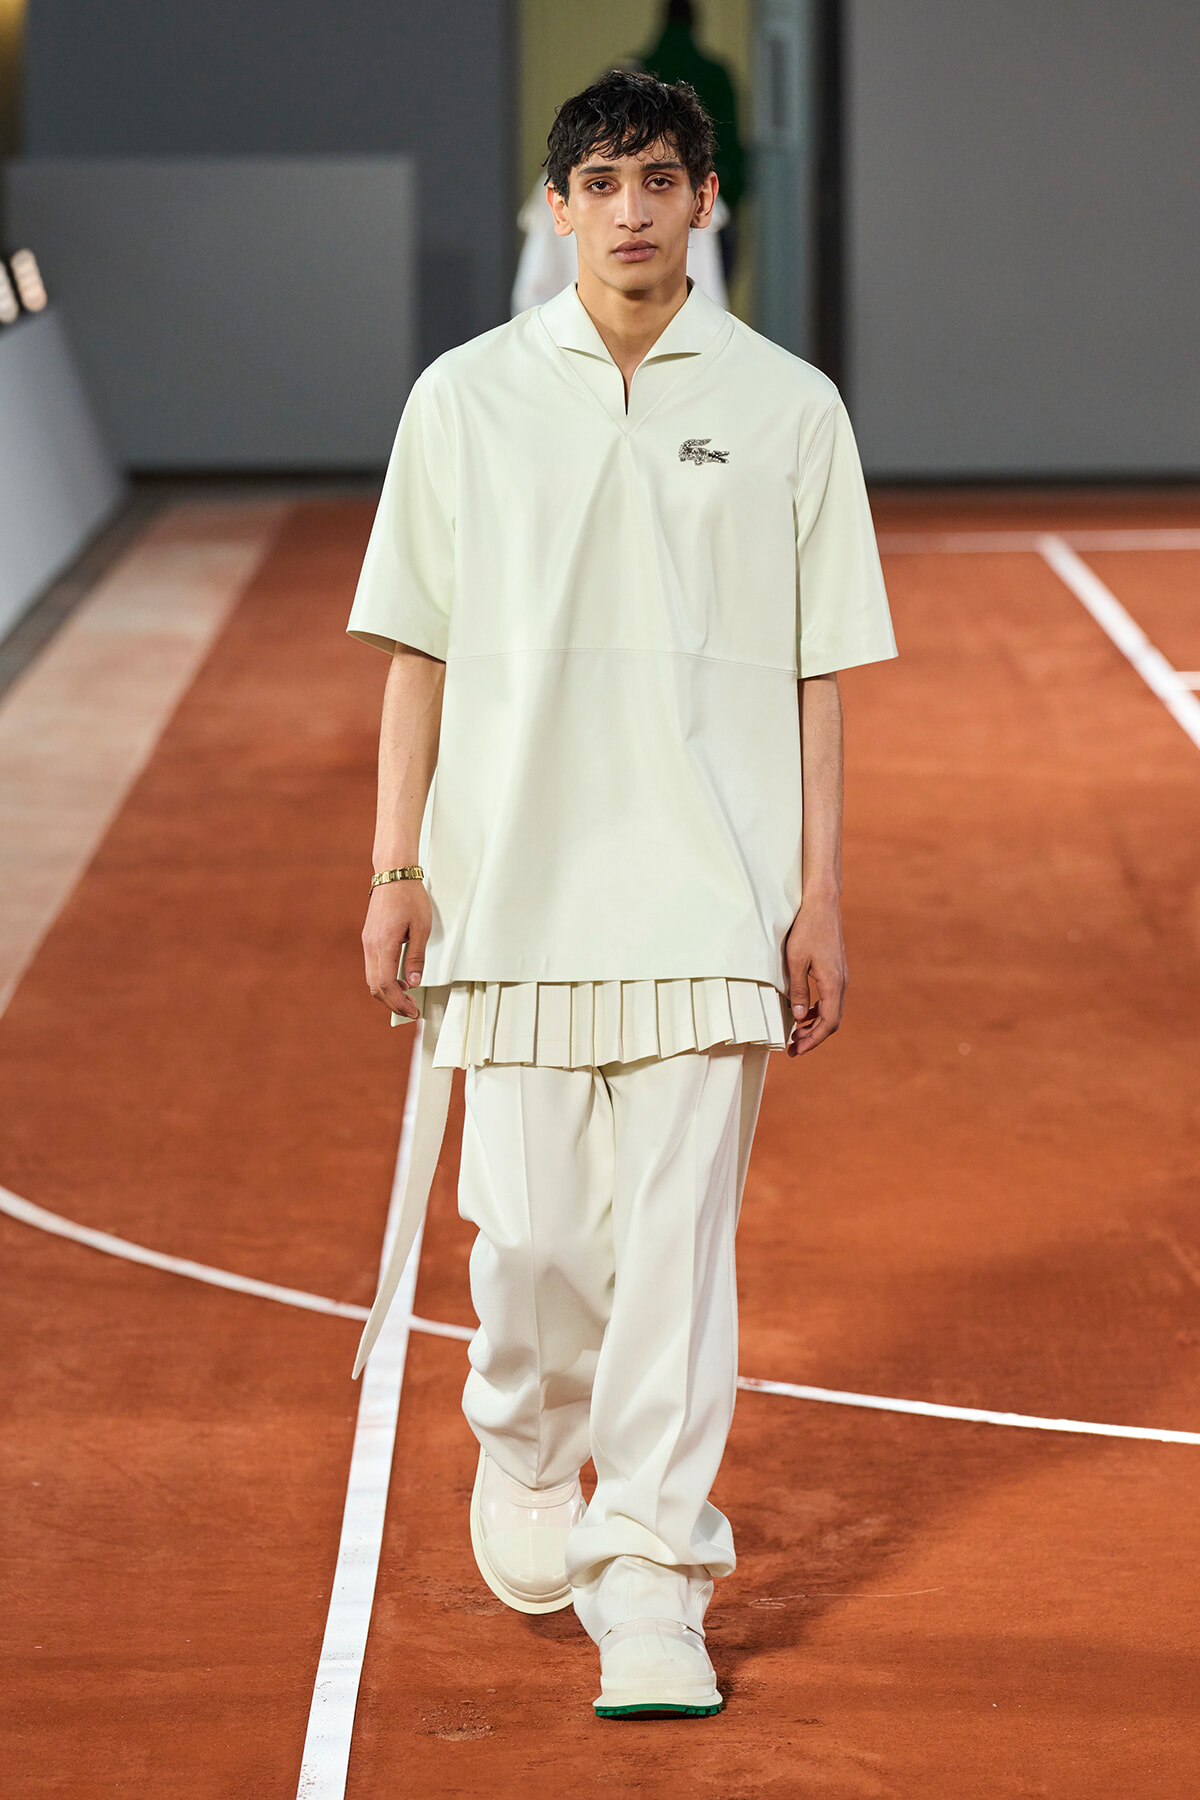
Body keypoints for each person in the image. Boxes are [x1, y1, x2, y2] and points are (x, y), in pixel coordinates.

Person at [347, 70, 895, 1721]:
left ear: (706, 201)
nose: (634, 207)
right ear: (559, 206)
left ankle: (653, 1574)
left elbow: (817, 671)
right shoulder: (465, 399)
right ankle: (526, 1438)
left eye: (662, 178)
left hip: (711, 891)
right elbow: (416, 650)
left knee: (674, 1253)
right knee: (530, 1242)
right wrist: (396, 866)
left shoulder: (791, 406)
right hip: (511, 888)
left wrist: (818, 893)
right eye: (603, 182)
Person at [639, 0, 746, 282]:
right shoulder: (716, 75)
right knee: (708, 290)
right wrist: (731, 196)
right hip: (710, 200)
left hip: (651, 205)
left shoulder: (638, 72)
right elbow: (731, 147)